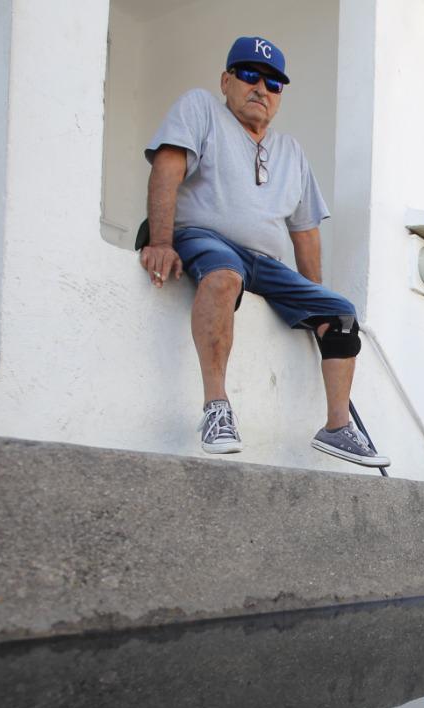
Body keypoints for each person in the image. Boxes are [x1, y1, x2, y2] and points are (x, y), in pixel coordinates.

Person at [139, 35, 388, 467]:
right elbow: (168, 166)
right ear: (226, 80)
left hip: (267, 264)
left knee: (342, 312)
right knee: (223, 277)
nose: (261, 88)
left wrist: (313, 303)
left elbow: (305, 232)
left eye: (273, 83)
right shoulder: (201, 109)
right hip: (207, 239)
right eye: (250, 75)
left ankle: (336, 428)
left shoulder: (291, 151)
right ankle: (216, 409)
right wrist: (161, 241)